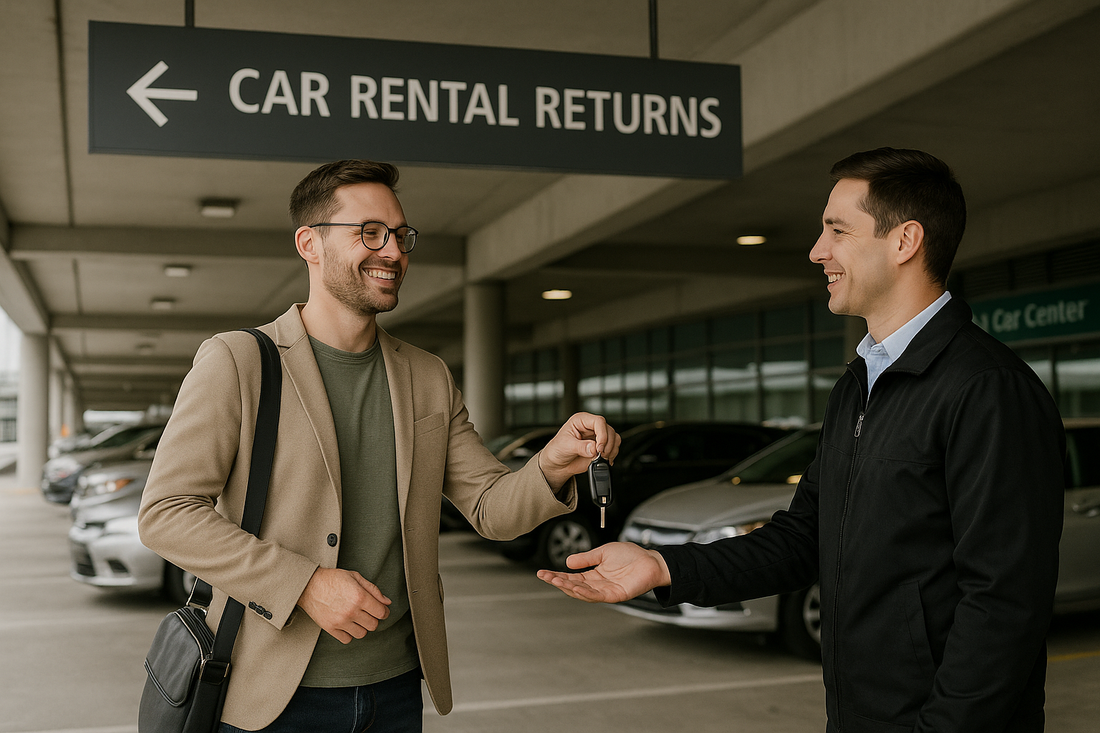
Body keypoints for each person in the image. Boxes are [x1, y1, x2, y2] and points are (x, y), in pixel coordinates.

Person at [538, 148, 1065, 733]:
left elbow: (1002, 605)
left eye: (837, 230)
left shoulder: (988, 389)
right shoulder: (858, 387)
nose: (817, 250)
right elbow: (800, 540)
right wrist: (663, 567)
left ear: (905, 241)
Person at [138, 159, 620, 733]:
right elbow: (166, 514)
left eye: (400, 235)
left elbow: (491, 510)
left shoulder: (427, 376)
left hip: (395, 691)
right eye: (370, 232)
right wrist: (305, 584)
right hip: (270, 697)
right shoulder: (239, 361)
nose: (393, 251)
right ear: (309, 244)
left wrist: (552, 463)